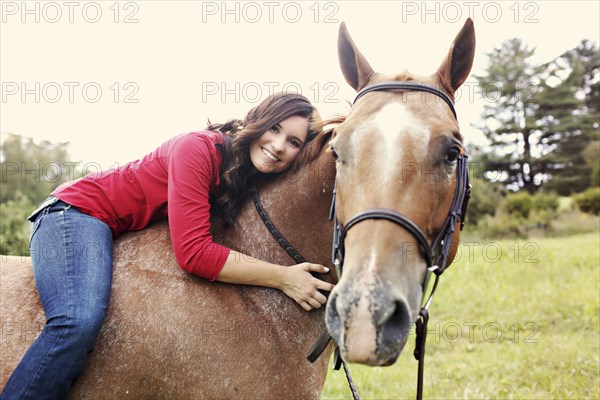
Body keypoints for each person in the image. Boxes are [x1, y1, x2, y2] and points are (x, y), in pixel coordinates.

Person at [1, 92, 335, 400]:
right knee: (77, 320)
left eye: (293, 142)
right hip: (76, 214)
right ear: (255, 121)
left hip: (112, 229)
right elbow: (193, 253)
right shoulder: (198, 148)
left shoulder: (248, 178)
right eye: (274, 128)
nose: (278, 145)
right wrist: (283, 277)